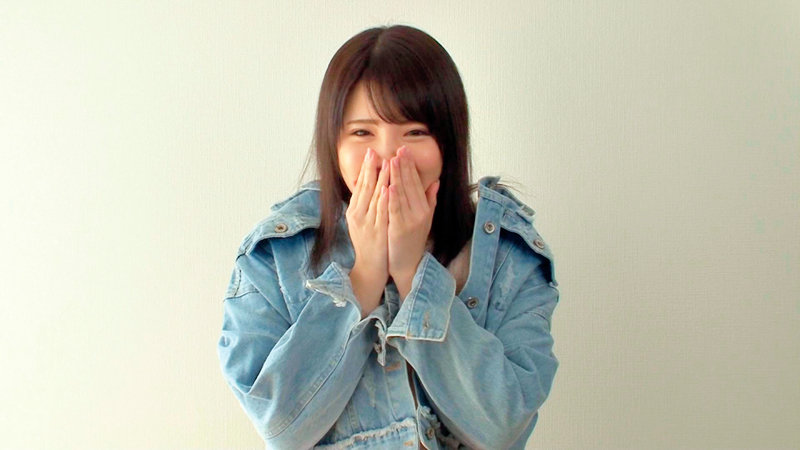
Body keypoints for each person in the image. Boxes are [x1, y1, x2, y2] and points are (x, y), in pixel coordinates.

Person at [217, 24, 560, 450]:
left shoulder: (507, 254)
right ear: (333, 143)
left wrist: (414, 273)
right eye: (363, 132)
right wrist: (364, 277)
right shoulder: (273, 257)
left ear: (449, 141)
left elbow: (501, 429)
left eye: (415, 132)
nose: (388, 156)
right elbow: (281, 429)